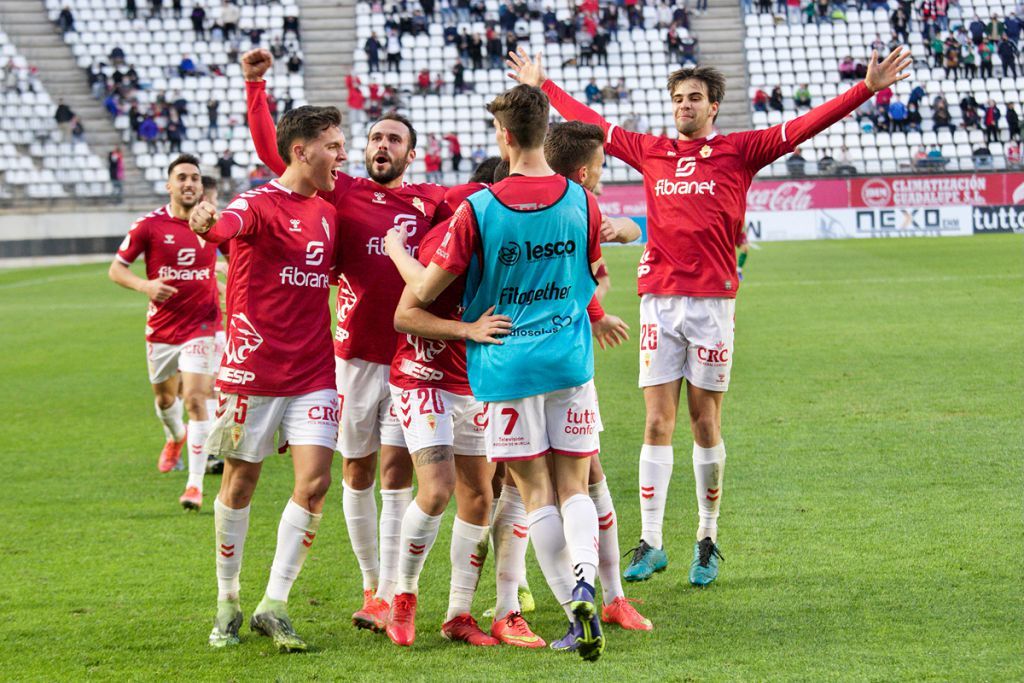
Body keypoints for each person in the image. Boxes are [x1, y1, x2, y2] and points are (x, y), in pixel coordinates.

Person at [506, 46, 912, 586]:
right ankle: (651, 542)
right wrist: (543, 84)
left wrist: (866, 89)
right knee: (656, 422)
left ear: (713, 105)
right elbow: (593, 125)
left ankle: (707, 537)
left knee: (704, 421)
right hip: (659, 300)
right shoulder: (650, 151)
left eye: (694, 98)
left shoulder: (741, 151)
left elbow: (802, 128)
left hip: (714, 304)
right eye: (677, 99)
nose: (684, 106)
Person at [385, 83, 609, 662]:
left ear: (504, 137)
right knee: (575, 486)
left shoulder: (478, 209)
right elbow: (593, 275)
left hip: (506, 365)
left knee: (534, 494)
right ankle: (587, 583)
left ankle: (569, 607)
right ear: (546, 132)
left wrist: (396, 251)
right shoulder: (582, 200)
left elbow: (423, 292)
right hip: (569, 361)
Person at [242, 48, 451, 635]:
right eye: (376, 137)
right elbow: (276, 153)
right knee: (356, 473)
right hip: (353, 358)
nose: (382, 145)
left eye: (394, 140)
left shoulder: (433, 201)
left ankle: (388, 592)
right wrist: (256, 88)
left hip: (412, 359)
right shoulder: (343, 192)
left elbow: (490, 199)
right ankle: (370, 583)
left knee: (394, 471)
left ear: (412, 154)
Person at [188, 105, 346, 652]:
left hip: (314, 372)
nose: (341, 153)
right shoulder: (256, 203)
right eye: (332, 144)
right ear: (301, 151)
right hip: (250, 373)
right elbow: (226, 228)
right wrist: (209, 223)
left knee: (316, 483)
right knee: (239, 483)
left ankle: (273, 603)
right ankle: (227, 599)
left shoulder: (328, 212)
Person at [108, 154, 221, 509]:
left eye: (195, 178)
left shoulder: (216, 223)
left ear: (202, 187)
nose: (189, 184)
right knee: (165, 400)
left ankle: (194, 486)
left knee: (197, 399)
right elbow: (116, 269)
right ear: (169, 185)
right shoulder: (149, 226)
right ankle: (175, 437)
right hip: (162, 328)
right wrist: (146, 287)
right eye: (182, 178)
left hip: (204, 324)